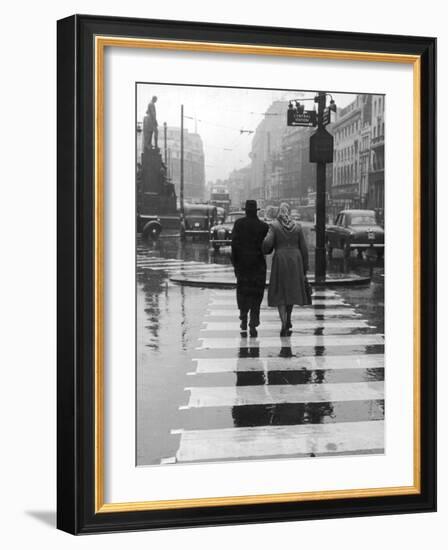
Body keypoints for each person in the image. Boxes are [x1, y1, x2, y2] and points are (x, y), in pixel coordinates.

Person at [262, 202, 309, 336]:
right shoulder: (297, 227)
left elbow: (267, 244)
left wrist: (265, 247)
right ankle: (288, 318)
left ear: (279, 213)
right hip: (296, 260)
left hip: (281, 260)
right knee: (291, 291)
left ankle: (283, 322)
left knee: (281, 292)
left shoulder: (274, 226)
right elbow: (304, 249)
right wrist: (305, 268)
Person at [231, 200, 269, 337]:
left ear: (245, 210)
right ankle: (254, 320)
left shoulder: (239, 224)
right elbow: (267, 247)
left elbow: (234, 245)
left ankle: (243, 316)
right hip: (258, 265)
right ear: (256, 211)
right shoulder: (264, 227)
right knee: (256, 293)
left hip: (242, 265)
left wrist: (235, 263)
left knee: (243, 291)